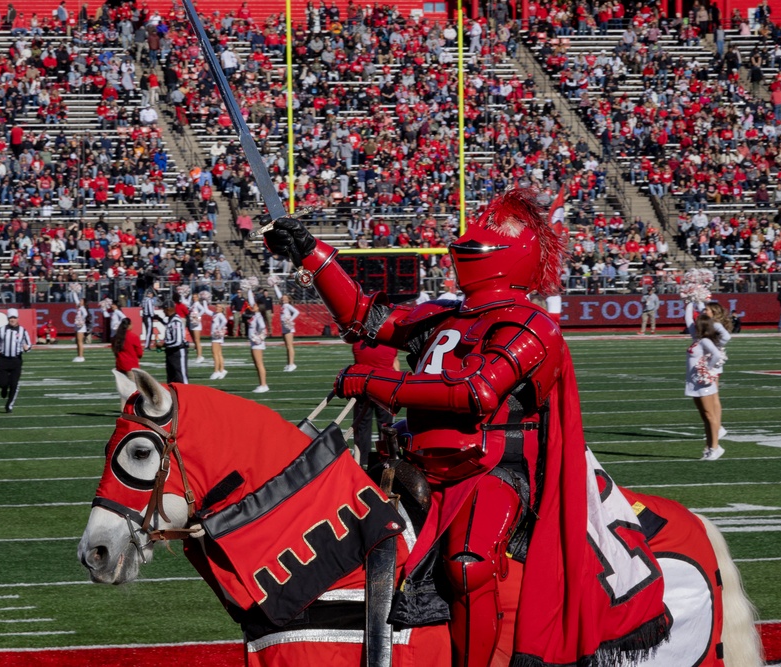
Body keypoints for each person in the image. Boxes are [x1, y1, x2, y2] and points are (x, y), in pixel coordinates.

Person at [264, 188, 669, 667]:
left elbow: (476, 392)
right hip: (414, 461)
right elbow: (364, 318)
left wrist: (379, 381)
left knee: (467, 564)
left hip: (492, 470)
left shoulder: (532, 325)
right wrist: (312, 254)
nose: (464, 246)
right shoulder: (444, 314)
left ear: (506, 256)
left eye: (479, 241)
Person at [685, 300, 731, 460]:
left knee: (709, 415)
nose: (694, 323)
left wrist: (708, 369)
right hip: (694, 382)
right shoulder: (696, 338)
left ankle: (715, 447)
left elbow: (718, 355)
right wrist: (691, 301)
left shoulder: (706, 341)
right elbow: (688, 320)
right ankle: (709, 447)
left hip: (704, 381)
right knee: (705, 415)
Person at [350, 340, 399, 468]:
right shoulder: (389, 345)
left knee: (362, 426)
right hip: (385, 386)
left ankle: (361, 460)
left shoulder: (358, 344)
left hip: (362, 386)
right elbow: (395, 365)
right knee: (386, 427)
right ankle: (387, 458)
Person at [0, 308, 31, 413]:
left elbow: (29, 344)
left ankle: (9, 405)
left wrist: (27, 348)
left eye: (14, 318)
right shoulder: (2, 329)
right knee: (2, 383)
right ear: (8, 319)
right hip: (4, 359)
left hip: (16, 360)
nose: (12, 320)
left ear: (18, 318)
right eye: (10, 318)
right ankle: (4, 388)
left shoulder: (23, 330)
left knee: (14, 384)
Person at [156, 301, 189, 383]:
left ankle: (186, 395)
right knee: (171, 379)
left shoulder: (175, 321)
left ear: (168, 309)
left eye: (164, 309)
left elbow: (177, 341)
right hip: (171, 353)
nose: (163, 311)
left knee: (181, 377)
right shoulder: (171, 320)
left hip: (177, 352)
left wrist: (163, 344)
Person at [247, 301, 269, 393]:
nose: (253, 306)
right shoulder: (256, 315)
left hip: (257, 343)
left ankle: (263, 385)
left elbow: (263, 326)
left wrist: (257, 336)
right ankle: (262, 384)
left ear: (259, 307)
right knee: (257, 364)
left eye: (255, 305)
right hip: (254, 343)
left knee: (259, 364)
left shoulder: (259, 316)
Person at [280, 294, 299, 372]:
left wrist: (290, 320)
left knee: (289, 346)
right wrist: (274, 285)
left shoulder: (287, 305)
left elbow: (296, 312)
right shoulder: (283, 306)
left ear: (288, 300)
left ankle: (291, 364)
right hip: (284, 327)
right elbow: (279, 295)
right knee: (287, 347)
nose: (283, 299)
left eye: (285, 298)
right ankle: (289, 364)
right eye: (282, 298)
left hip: (288, 328)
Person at [209, 303, 229, 380]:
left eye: (219, 307)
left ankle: (216, 371)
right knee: (219, 353)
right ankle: (222, 369)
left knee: (215, 353)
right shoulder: (215, 314)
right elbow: (206, 311)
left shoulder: (220, 315)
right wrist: (204, 301)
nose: (217, 307)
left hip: (216, 336)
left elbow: (224, 321)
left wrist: (219, 329)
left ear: (222, 309)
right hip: (217, 336)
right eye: (216, 306)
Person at [189, 295, 211, 363]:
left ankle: (200, 356)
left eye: (195, 297)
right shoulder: (193, 304)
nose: (194, 298)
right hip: (192, 323)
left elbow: (203, 310)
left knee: (197, 340)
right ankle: (198, 355)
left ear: (198, 298)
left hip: (196, 324)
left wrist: (198, 317)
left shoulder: (198, 304)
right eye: (193, 297)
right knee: (195, 340)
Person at [73, 297, 90, 362]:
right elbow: (76, 299)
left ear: (84, 302)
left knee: (80, 342)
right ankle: (78, 355)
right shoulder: (79, 307)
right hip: (78, 326)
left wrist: (81, 320)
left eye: (81, 301)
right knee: (77, 341)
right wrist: (73, 291)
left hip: (81, 326)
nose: (80, 302)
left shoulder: (82, 308)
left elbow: (85, 314)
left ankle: (81, 356)